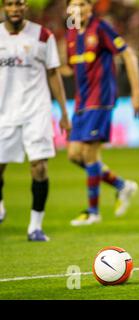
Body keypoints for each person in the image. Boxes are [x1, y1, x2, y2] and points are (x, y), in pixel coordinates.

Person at [64, 0, 139, 226]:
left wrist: (136, 91)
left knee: (89, 154)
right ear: (68, 10)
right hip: (81, 103)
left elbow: (128, 55)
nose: (78, 9)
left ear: (91, 8)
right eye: (74, 5)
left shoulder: (100, 28)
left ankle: (93, 212)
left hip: (100, 101)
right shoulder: (71, 35)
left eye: (83, 4)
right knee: (74, 155)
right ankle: (121, 186)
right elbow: (71, 69)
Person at [0, 0, 71, 241]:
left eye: (19, 4)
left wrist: (63, 112)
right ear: (3, 7)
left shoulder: (43, 35)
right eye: (10, 4)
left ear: (25, 6)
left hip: (36, 112)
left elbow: (53, 73)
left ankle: (35, 226)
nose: (15, 9)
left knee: (39, 166)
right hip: (4, 113)